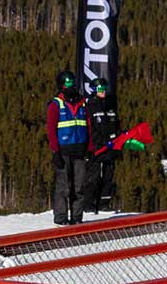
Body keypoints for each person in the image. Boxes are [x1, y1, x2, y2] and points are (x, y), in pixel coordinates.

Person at [46, 68, 91, 225]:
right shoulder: (55, 104)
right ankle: (61, 218)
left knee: (78, 187)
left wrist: (89, 147)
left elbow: (89, 125)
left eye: (72, 83)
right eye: (67, 84)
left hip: (80, 150)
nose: (70, 87)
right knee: (63, 188)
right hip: (63, 151)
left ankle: (77, 218)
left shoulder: (83, 103)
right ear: (61, 86)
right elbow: (51, 129)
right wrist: (55, 151)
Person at [82, 76, 121, 214]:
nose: (103, 91)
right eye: (100, 89)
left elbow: (115, 124)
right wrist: (90, 148)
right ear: (93, 90)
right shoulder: (90, 106)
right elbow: (89, 129)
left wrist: (119, 136)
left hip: (110, 147)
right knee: (93, 177)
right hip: (97, 148)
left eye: (105, 88)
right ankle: (88, 204)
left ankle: (104, 203)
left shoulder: (110, 105)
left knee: (108, 176)